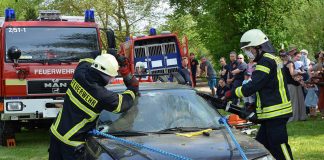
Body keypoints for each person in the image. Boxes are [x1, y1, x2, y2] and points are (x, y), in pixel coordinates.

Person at [49, 53, 139, 160]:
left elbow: (87, 59)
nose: (112, 80)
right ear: (103, 75)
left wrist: (109, 57)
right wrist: (133, 88)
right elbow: (123, 104)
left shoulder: (80, 71)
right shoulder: (102, 95)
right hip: (72, 143)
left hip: (56, 132)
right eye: (111, 77)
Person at [225, 29, 293, 160]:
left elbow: (254, 85)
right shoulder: (272, 59)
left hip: (275, 113)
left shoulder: (266, 61)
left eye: (249, 49)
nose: (248, 52)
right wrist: (255, 105)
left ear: (258, 47)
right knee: (260, 147)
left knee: (280, 148)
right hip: (272, 113)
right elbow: (268, 87)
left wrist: (231, 93)